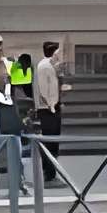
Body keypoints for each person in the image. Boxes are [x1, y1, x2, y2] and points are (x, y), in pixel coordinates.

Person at [29, 41, 65, 185]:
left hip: (52, 107)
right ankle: (48, 174)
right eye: (58, 52)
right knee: (50, 142)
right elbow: (44, 89)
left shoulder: (49, 66)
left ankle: (51, 173)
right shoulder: (44, 67)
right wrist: (52, 106)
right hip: (48, 109)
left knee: (54, 142)